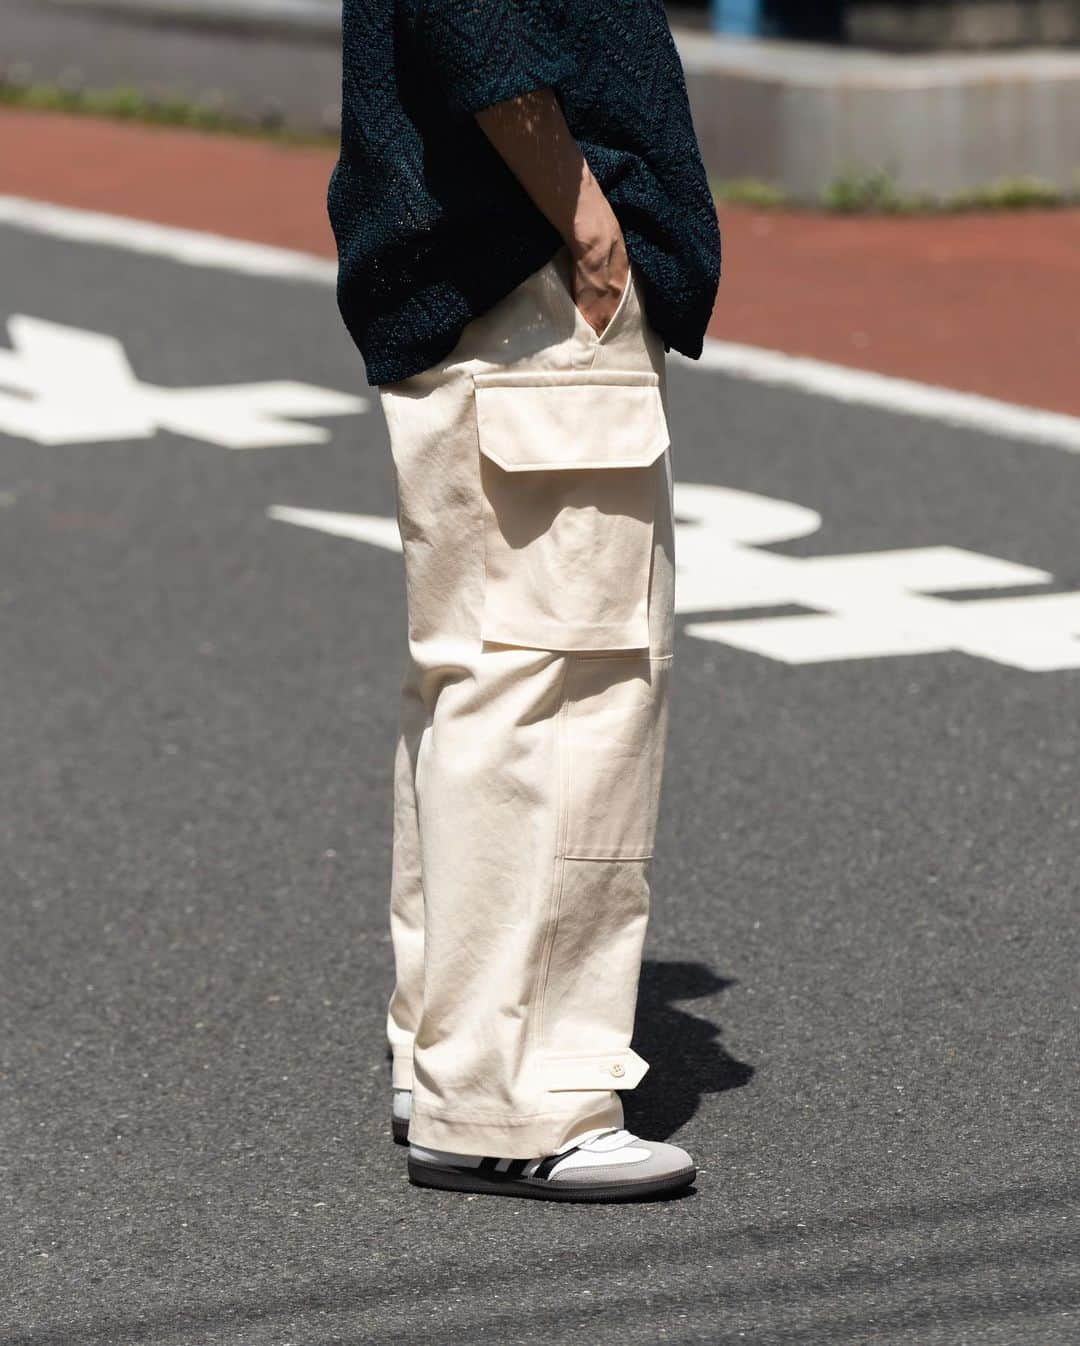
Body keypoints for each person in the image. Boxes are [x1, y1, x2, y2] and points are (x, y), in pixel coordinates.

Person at [328, 0, 721, 1202]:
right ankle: (514, 1094)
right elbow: (480, 25)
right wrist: (591, 224)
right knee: (563, 693)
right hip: (531, 281)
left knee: (482, 678)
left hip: (488, 278)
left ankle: (449, 1049)